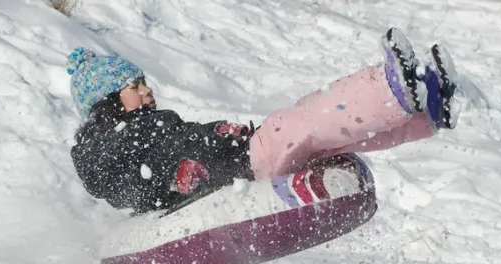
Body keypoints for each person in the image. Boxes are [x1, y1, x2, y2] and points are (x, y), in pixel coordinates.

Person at [69, 28, 460, 214]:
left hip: (240, 159)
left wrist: (218, 135)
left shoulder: (142, 130)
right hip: (242, 164)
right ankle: (392, 90)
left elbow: (181, 146)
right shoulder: (110, 142)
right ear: (106, 100)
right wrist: (182, 176)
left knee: (336, 140)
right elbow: (130, 178)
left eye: (143, 81)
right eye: (134, 85)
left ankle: (426, 111)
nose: (146, 89)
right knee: (306, 119)